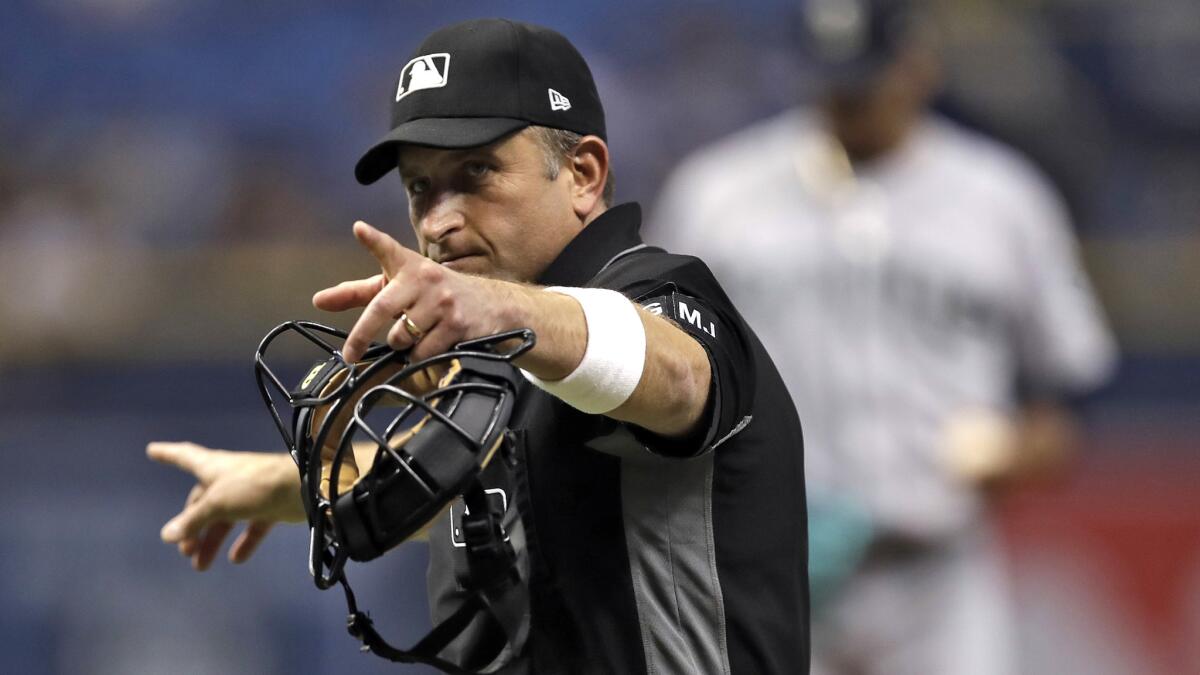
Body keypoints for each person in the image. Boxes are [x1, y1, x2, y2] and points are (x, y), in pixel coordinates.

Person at [148, 18, 809, 675]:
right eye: (419, 187)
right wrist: (280, 483)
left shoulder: (651, 297)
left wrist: (497, 310)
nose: (437, 221)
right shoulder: (504, 347)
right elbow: (504, 477)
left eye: (476, 171)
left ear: (582, 172)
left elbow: (677, 376)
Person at [649, 1, 1117, 674]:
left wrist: (1017, 448)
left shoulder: (1002, 198)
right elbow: (657, 367)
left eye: (868, 79)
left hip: (934, 573)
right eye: (832, 81)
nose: (849, 101)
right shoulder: (716, 194)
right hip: (765, 565)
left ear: (917, 65)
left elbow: (1070, 389)